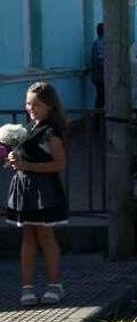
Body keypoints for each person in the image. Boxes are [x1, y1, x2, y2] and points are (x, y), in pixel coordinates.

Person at [7, 82, 69, 306]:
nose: (31, 108)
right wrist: (12, 160)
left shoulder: (51, 132)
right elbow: (23, 159)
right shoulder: (29, 128)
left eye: (37, 104)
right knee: (27, 236)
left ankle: (55, 285)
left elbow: (59, 164)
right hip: (24, 188)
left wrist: (27, 166)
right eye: (28, 103)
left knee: (45, 235)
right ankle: (27, 288)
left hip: (44, 190)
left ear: (50, 106)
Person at [91, 23, 105, 109]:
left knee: (101, 99)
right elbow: (101, 61)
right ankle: (98, 121)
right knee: (101, 99)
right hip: (101, 77)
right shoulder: (100, 43)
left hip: (99, 76)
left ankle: (99, 120)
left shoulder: (97, 43)